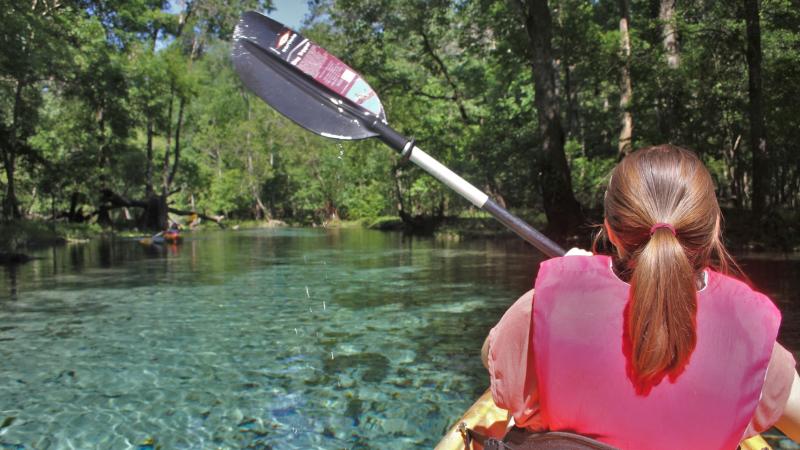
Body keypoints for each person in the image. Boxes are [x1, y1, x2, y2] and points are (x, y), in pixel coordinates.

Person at [481, 145, 800, 449]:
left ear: (609, 229)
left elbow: (491, 358)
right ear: (713, 229)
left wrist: (563, 293)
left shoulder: (539, 311)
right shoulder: (756, 344)